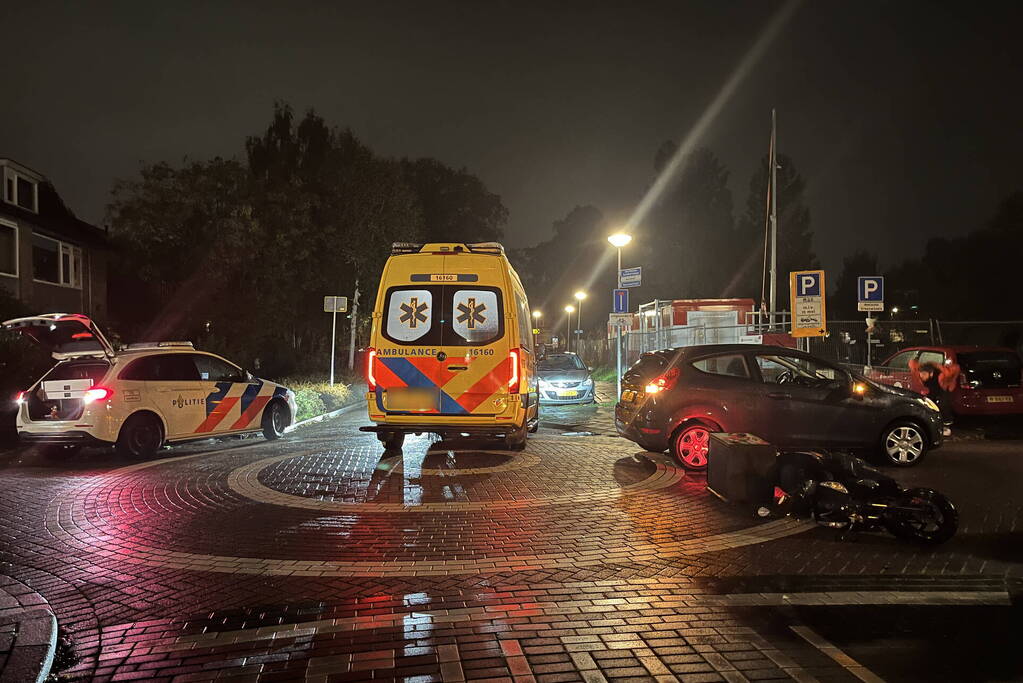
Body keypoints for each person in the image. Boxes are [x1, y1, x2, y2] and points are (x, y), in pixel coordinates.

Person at [909, 358, 960, 435]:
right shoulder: (919, 372)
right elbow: (912, 363)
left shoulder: (942, 375)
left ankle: (946, 425)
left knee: (943, 404)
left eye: (924, 374)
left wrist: (938, 366)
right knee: (927, 403)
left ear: (931, 373)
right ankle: (930, 422)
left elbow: (955, 369)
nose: (922, 376)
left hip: (945, 388)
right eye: (921, 374)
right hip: (933, 389)